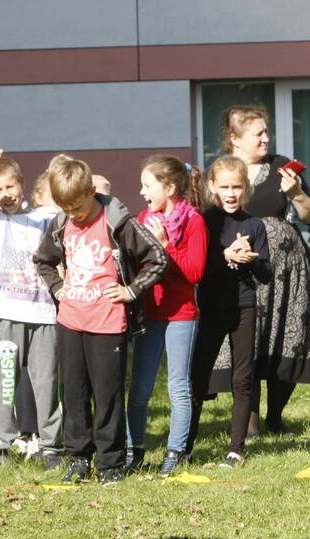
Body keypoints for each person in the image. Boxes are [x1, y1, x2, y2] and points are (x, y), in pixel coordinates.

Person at [33, 156, 168, 485]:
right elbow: (44, 260)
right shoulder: (61, 222)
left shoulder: (117, 221)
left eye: (77, 208)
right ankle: (78, 459)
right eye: (66, 209)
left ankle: (111, 465)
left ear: (92, 191)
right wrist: (58, 288)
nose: (73, 215)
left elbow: (157, 258)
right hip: (71, 320)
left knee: (107, 395)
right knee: (74, 394)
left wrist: (131, 291)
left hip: (108, 322)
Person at [219, 105, 310, 436]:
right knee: (245, 346)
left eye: (267, 131)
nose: (267, 138)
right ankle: (248, 426)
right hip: (239, 273)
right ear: (234, 138)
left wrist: (296, 195)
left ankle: (275, 418)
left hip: (286, 274)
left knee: (285, 342)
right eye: (258, 133)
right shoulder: (222, 173)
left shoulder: (281, 168)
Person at [0, 147, 63, 470]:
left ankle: (51, 445)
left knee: (46, 382)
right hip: (5, 315)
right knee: (3, 383)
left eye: (10, 186)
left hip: (43, 314)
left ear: (22, 184)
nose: (5, 195)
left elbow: (63, 200)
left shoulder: (42, 218)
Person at [186, 156, 272, 468]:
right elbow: (198, 269)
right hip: (210, 308)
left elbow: (266, 274)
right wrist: (225, 255)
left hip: (244, 307)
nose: (231, 193)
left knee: (243, 378)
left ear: (246, 188)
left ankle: (236, 448)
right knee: (198, 377)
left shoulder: (254, 225)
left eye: (237, 186)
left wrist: (251, 260)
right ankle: (185, 446)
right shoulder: (204, 222)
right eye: (225, 187)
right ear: (212, 188)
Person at [125, 156, 208, 477]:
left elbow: (194, 272)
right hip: (150, 314)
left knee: (178, 386)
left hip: (181, 316)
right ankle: (135, 449)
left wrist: (165, 246)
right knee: (140, 388)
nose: (142, 191)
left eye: (148, 185)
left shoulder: (194, 222)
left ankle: (175, 452)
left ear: (169, 188)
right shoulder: (144, 217)